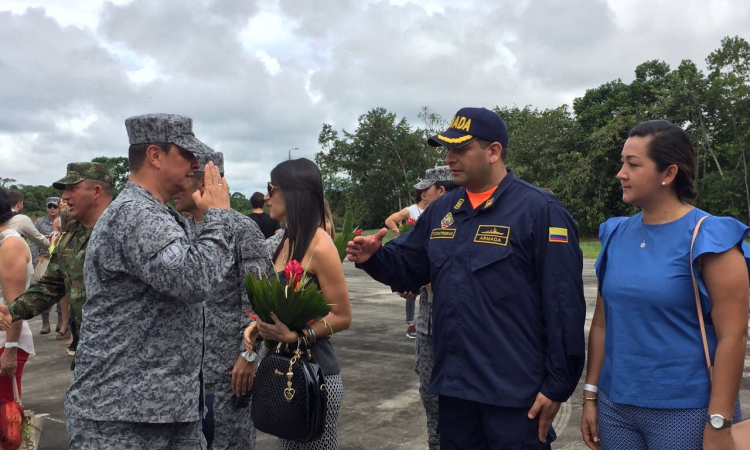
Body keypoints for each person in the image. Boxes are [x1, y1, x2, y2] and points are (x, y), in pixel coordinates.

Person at [347, 107, 585, 449]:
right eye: (448, 150)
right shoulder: (443, 211)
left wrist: (557, 384)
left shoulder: (539, 211)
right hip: (456, 390)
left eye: (460, 150)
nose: (449, 159)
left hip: (516, 396)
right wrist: (375, 257)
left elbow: (564, 305)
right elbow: (410, 267)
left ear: (493, 152)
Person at [63, 114, 235, 449]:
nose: (195, 164)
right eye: (186, 155)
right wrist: (219, 216)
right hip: (123, 416)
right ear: (154, 155)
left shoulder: (154, 214)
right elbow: (194, 279)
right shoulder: (137, 215)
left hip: (163, 409)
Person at [579, 120, 749, 450]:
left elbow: (733, 336)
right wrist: (591, 396)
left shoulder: (709, 238)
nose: (621, 173)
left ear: (668, 174)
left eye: (633, 164)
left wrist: (719, 421)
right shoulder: (614, 234)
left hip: (687, 411)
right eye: (622, 162)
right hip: (616, 408)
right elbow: (601, 323)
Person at [245, 158, 352, 450]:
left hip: (313, 378)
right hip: (284, 374)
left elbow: (342, 316)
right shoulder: (285, 240)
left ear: (294, 193)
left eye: (272, 188)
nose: (267, 196)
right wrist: (259, 327)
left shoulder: (319, 245)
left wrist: (298, 336)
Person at [173, 151, 272, 450]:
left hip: (230, 373)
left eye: (186, 178)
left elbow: (259, 300)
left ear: (207, 182)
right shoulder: (181, 229)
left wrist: (249, 355)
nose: (177, 186)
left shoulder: (242, 229)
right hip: (189, 372)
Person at [0, 163, 114, 369]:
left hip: (126, 352)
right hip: (88, 348)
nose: (65, 197)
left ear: (97, 191)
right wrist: (13, 311)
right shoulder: (70, 237)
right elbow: (50, 286)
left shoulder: (123, 231)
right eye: (64, 191)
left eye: (72, 189)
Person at [411, 166, 458, 450]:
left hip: (456, 326)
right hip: (427, 324)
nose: (421, 195)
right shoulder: (429, 225)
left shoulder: (467, 224)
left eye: (425, 190)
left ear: (441, 191)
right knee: (429, 392)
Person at [0, 188, 35, 404]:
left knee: (5, 421)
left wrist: (10, 350)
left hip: (4, 342)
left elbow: (16, 304)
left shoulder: (9, 245)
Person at [32, 197, 66, 336]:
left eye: (55, 206)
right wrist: (34, 259)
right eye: (50, 206)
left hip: (60, 258)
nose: (52, 208)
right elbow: (33, 241)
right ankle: (45, 321)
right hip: (44, 258)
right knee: (44, 288)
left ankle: (60, 320)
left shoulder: (65, 220)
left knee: (60, 290)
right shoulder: (40, 222)